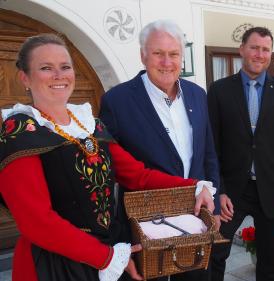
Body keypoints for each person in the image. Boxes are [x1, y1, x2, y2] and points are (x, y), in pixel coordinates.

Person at [0, 33, 215, 281]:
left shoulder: (89, 124)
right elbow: (37, 222)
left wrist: (195, 186)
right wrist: (106, 258)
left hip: (112, 251)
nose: (59, 75)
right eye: (46, 68)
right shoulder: (18, 132)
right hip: (57, 263)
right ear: (25, 77)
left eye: (65, 67)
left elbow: (137, 176)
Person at [98, 20, 220, 281]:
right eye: (158, 53)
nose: (167, 62)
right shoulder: (117, 100)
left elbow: (208, 152)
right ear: (143, 55)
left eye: (174, 54)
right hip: (145, 229)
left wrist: (214, 203)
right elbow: (112, 166)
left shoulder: (197, 94)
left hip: (194, 222)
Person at [206, 26, 274, 281]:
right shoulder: (219, 90)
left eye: (265, 49)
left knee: (271, 261)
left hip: (272, 189)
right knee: (214, 255)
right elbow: (211, 146)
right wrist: (219, 191)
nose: (259, 54)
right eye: (254, 47)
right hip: (232, 192)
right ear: (242, 50)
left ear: (271, 54)